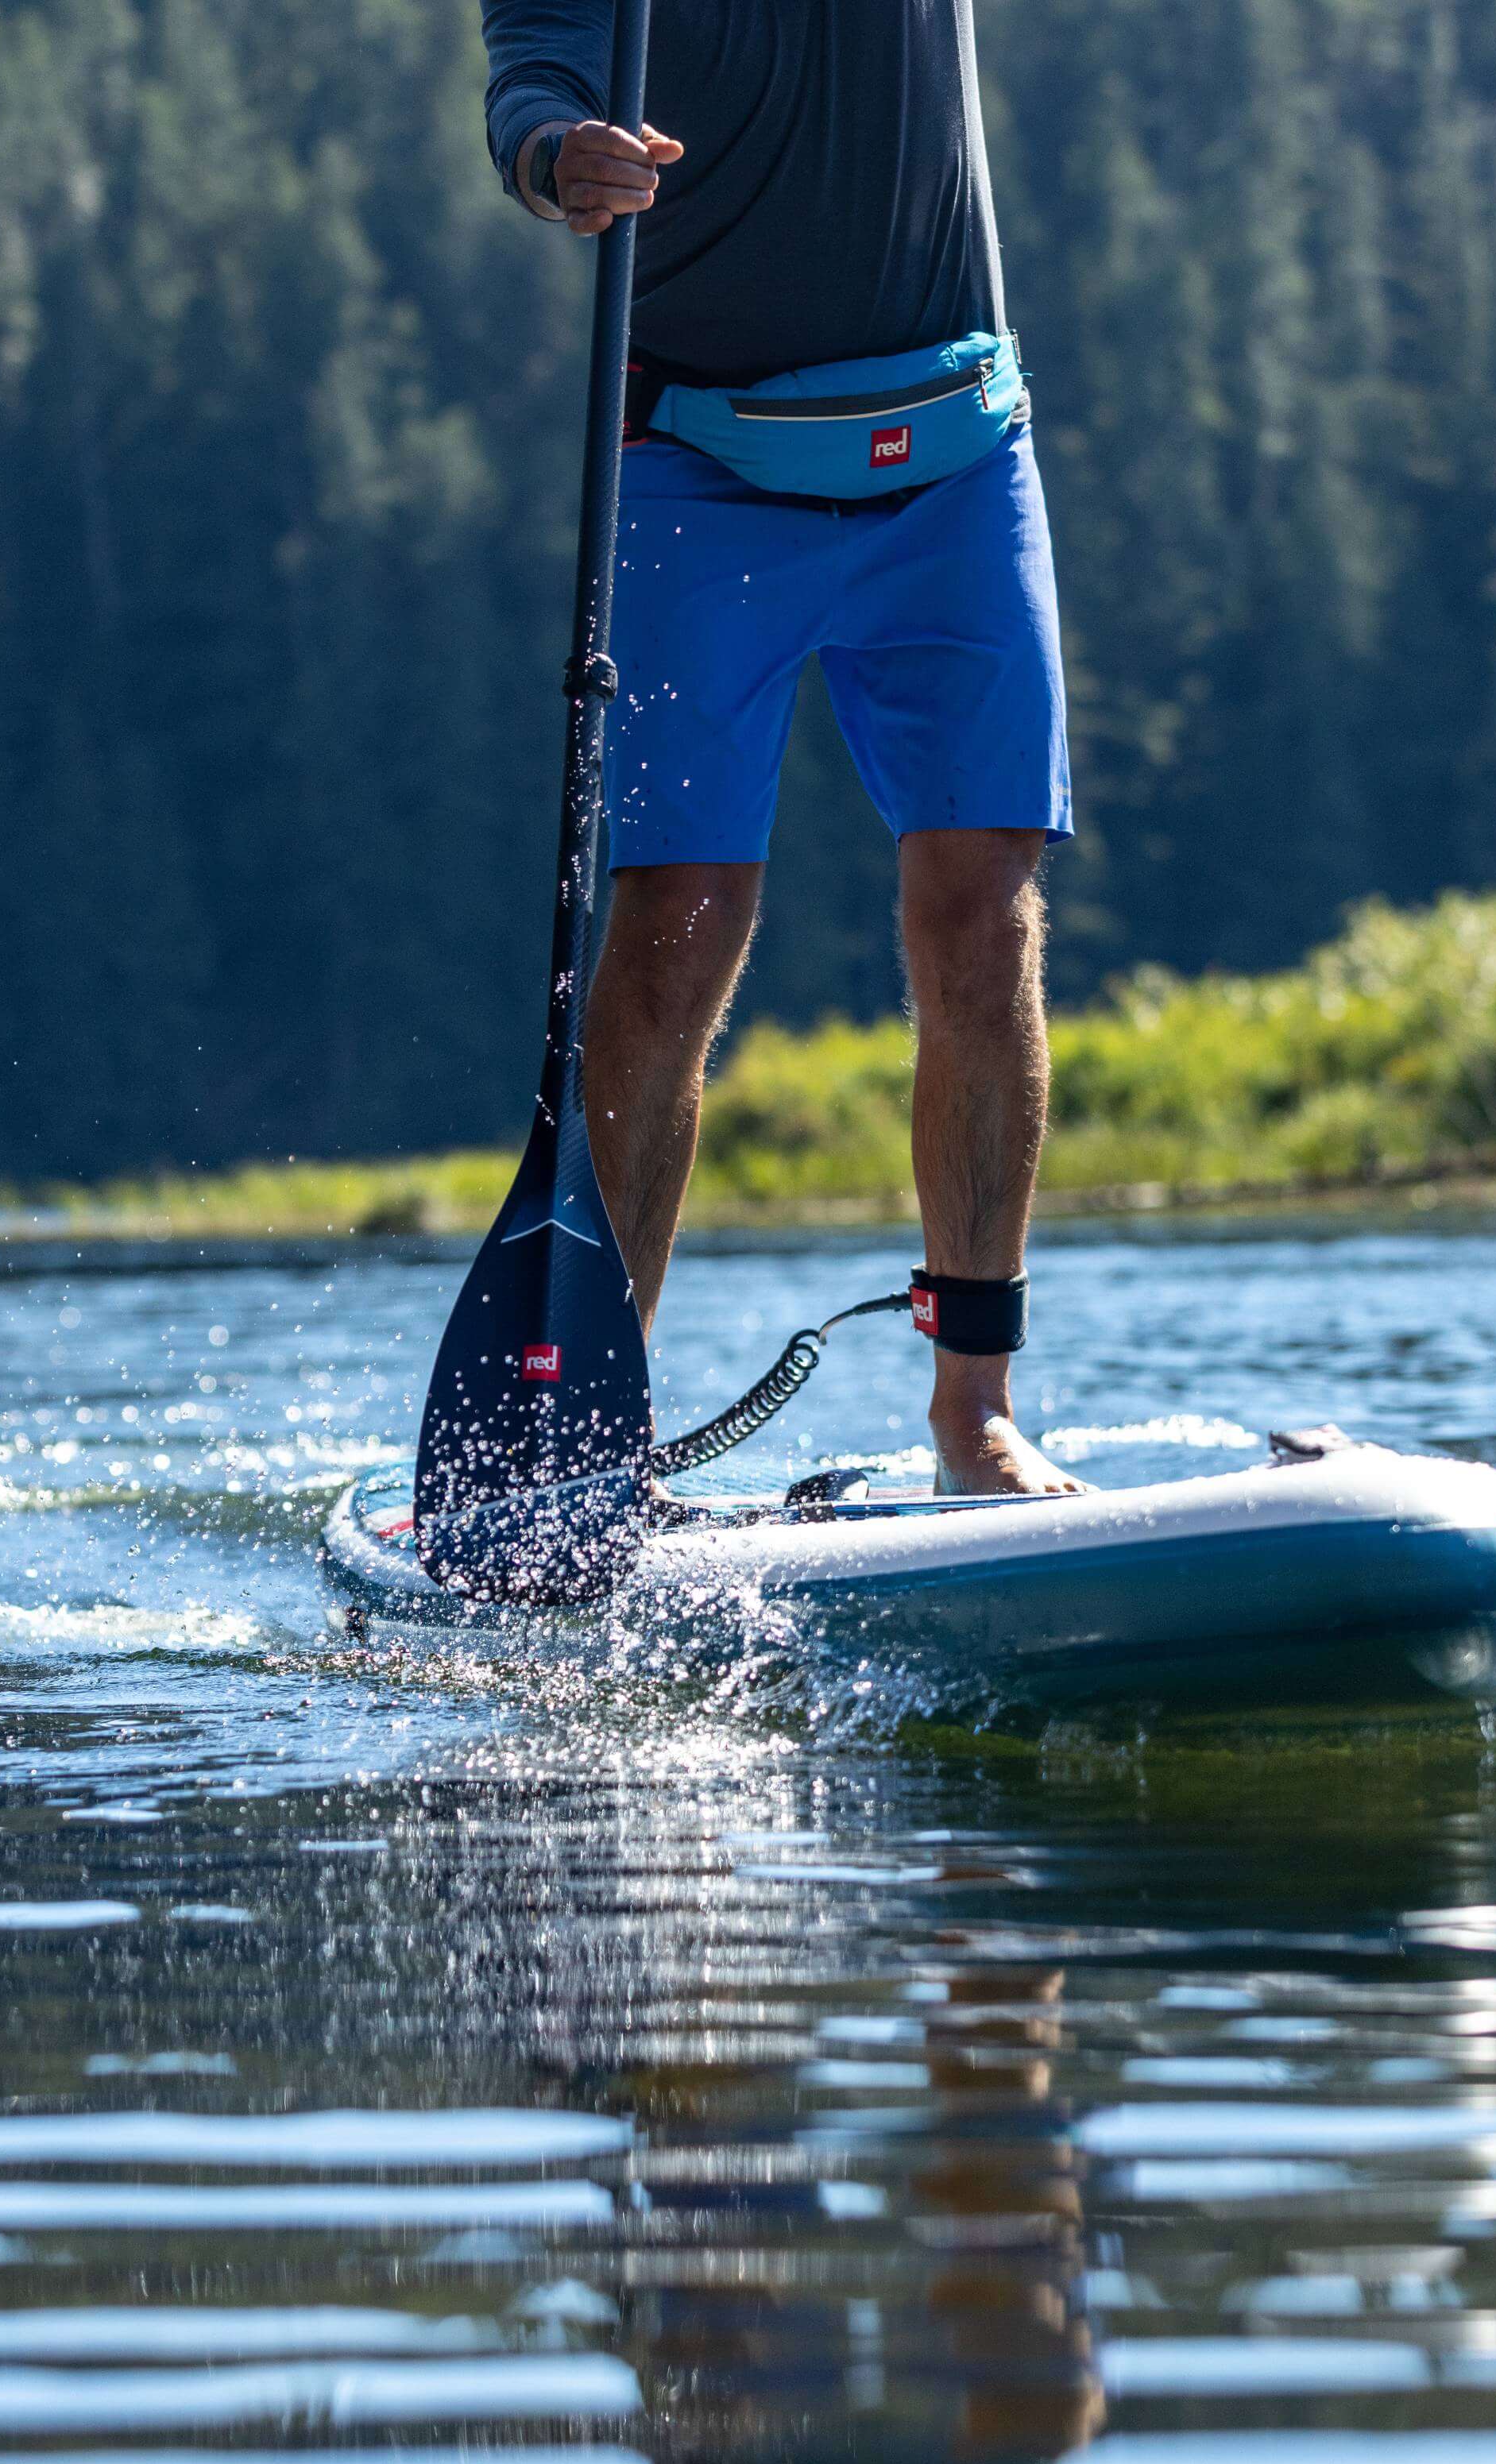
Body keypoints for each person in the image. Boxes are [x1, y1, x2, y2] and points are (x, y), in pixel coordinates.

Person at [483, 0, 1080, 1497]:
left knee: (979, 911)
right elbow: (529, 84)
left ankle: (976, 1409)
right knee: (678, 924)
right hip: (697, 462)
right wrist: (564, 160)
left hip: (953, 451)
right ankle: (586, 1439)